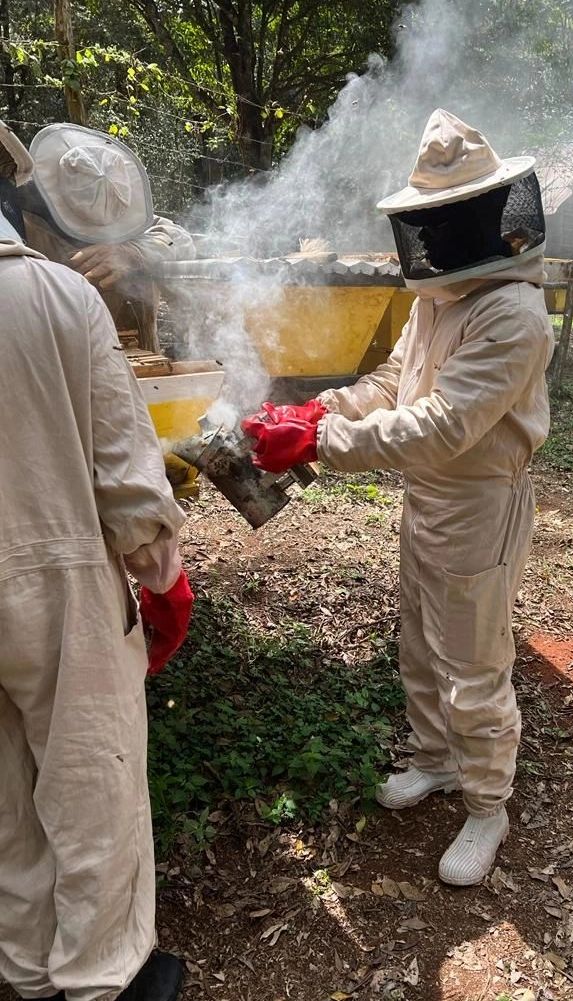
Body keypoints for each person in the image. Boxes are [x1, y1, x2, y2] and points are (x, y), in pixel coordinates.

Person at [243, 109, 555, 886]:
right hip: (428, 496)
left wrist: (319, 444)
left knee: (473, 660)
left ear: (484, 218)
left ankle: (488, 805)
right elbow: (395, 384)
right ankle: (434, 760)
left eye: (448, 221)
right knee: (419, 637)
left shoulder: (513, 314)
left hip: (482, 498)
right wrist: (324, 409)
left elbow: (443, 425)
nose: (436, 239)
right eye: (430, 223)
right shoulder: (436, 300)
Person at [0, 134, 193, 1001]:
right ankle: (100, 978)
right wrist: (159, 573)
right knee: (92, 785)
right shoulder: (54, 294)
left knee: (5, 800)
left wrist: (148, 270)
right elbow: (129, 483)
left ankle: (24, 972)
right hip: (61, 581)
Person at [0, 119, 194, 351]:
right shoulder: (17, 227)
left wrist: (133, 252)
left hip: (143, 369)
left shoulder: (125, 216)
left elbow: (179, 238)